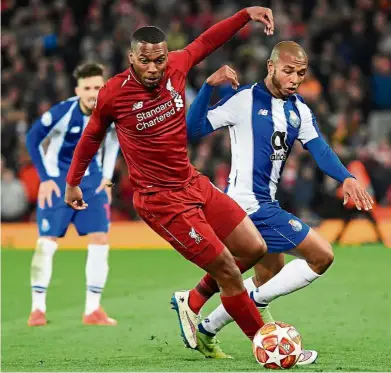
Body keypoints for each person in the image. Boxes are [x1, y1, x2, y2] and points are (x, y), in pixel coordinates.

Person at [65, 7, 276, 349]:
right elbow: (91, 137)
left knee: (254, 248)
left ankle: (191, 302)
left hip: (192, 182)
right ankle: (266, 346)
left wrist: (245, 14)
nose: (153, 68)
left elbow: (207, 41)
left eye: (159, 60)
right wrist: (73, 181)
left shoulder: (177, 65)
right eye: (145, 61)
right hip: (160, 201)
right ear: (131, 57)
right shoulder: (113, 94)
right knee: (227, 269)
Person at [183, 42, 374, 361]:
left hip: (264, 203)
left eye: (301, 72)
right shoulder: (245, 99)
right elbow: (193, 129)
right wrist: (207, 88)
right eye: (288, 71)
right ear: (270, 67)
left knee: (270, 274)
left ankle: (207, 329)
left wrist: (347, 178)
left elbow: (320, 150)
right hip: (248, 207)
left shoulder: (298, 110)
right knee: (322, 256)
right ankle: (252, 304)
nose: (295, 78)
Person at [26, 63, 120, 327]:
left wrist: (107, 180)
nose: (93, 93)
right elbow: (33, 138)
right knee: (47, 240)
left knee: (101, 239)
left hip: (92, 182)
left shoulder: (109, 112)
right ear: (78, 90)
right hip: (58, 181)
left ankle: (92, 309)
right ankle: (37, 309)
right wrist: (44, 179)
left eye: (98, 87)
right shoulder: (62, 112)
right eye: (88, 88)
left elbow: (114, 142)